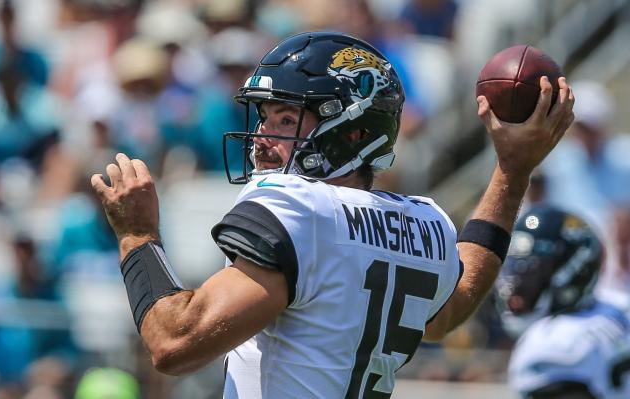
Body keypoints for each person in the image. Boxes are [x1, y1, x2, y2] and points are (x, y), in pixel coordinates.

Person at [90, 31, 574, 398]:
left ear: (355, 133)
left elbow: (175, 344)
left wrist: (137, 234)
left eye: (285, 120)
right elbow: (451, 308)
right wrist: (511, 170)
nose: (262, 137)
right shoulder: (425, 222)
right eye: (263, 117)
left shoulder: (296, 209)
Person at [495, 205, 630, 399]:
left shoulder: (554, 343)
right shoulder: (620, 307)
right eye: (511, 269)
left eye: (529, 272)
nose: (513, 289)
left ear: (573, 271)